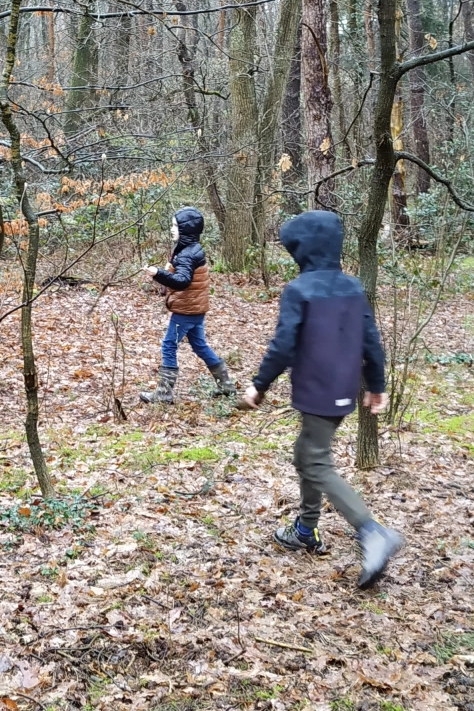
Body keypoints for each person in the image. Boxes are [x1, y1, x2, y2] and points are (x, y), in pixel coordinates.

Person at [241, 209, 405, 589]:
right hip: (342, 390)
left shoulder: (300, 290)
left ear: (303, 250)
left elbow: (283, 344)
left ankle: (371, 531)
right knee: (308, 455)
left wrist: (259, 385)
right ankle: (305, 529)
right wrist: (376, 386)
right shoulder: (353, 287)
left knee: (313, 461)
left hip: (318, 389)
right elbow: (372, 343)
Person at [138, 207, 236, 403]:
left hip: (187, 309)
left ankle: (164, 393)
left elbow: (182, 281)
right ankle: (226, 385)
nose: (171, 229)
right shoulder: (192, 249)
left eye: (175, 226)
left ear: (187, 229)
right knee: (199, 345)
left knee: (168, 345)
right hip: (196, 308)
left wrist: (157, 273)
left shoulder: (186, 255)